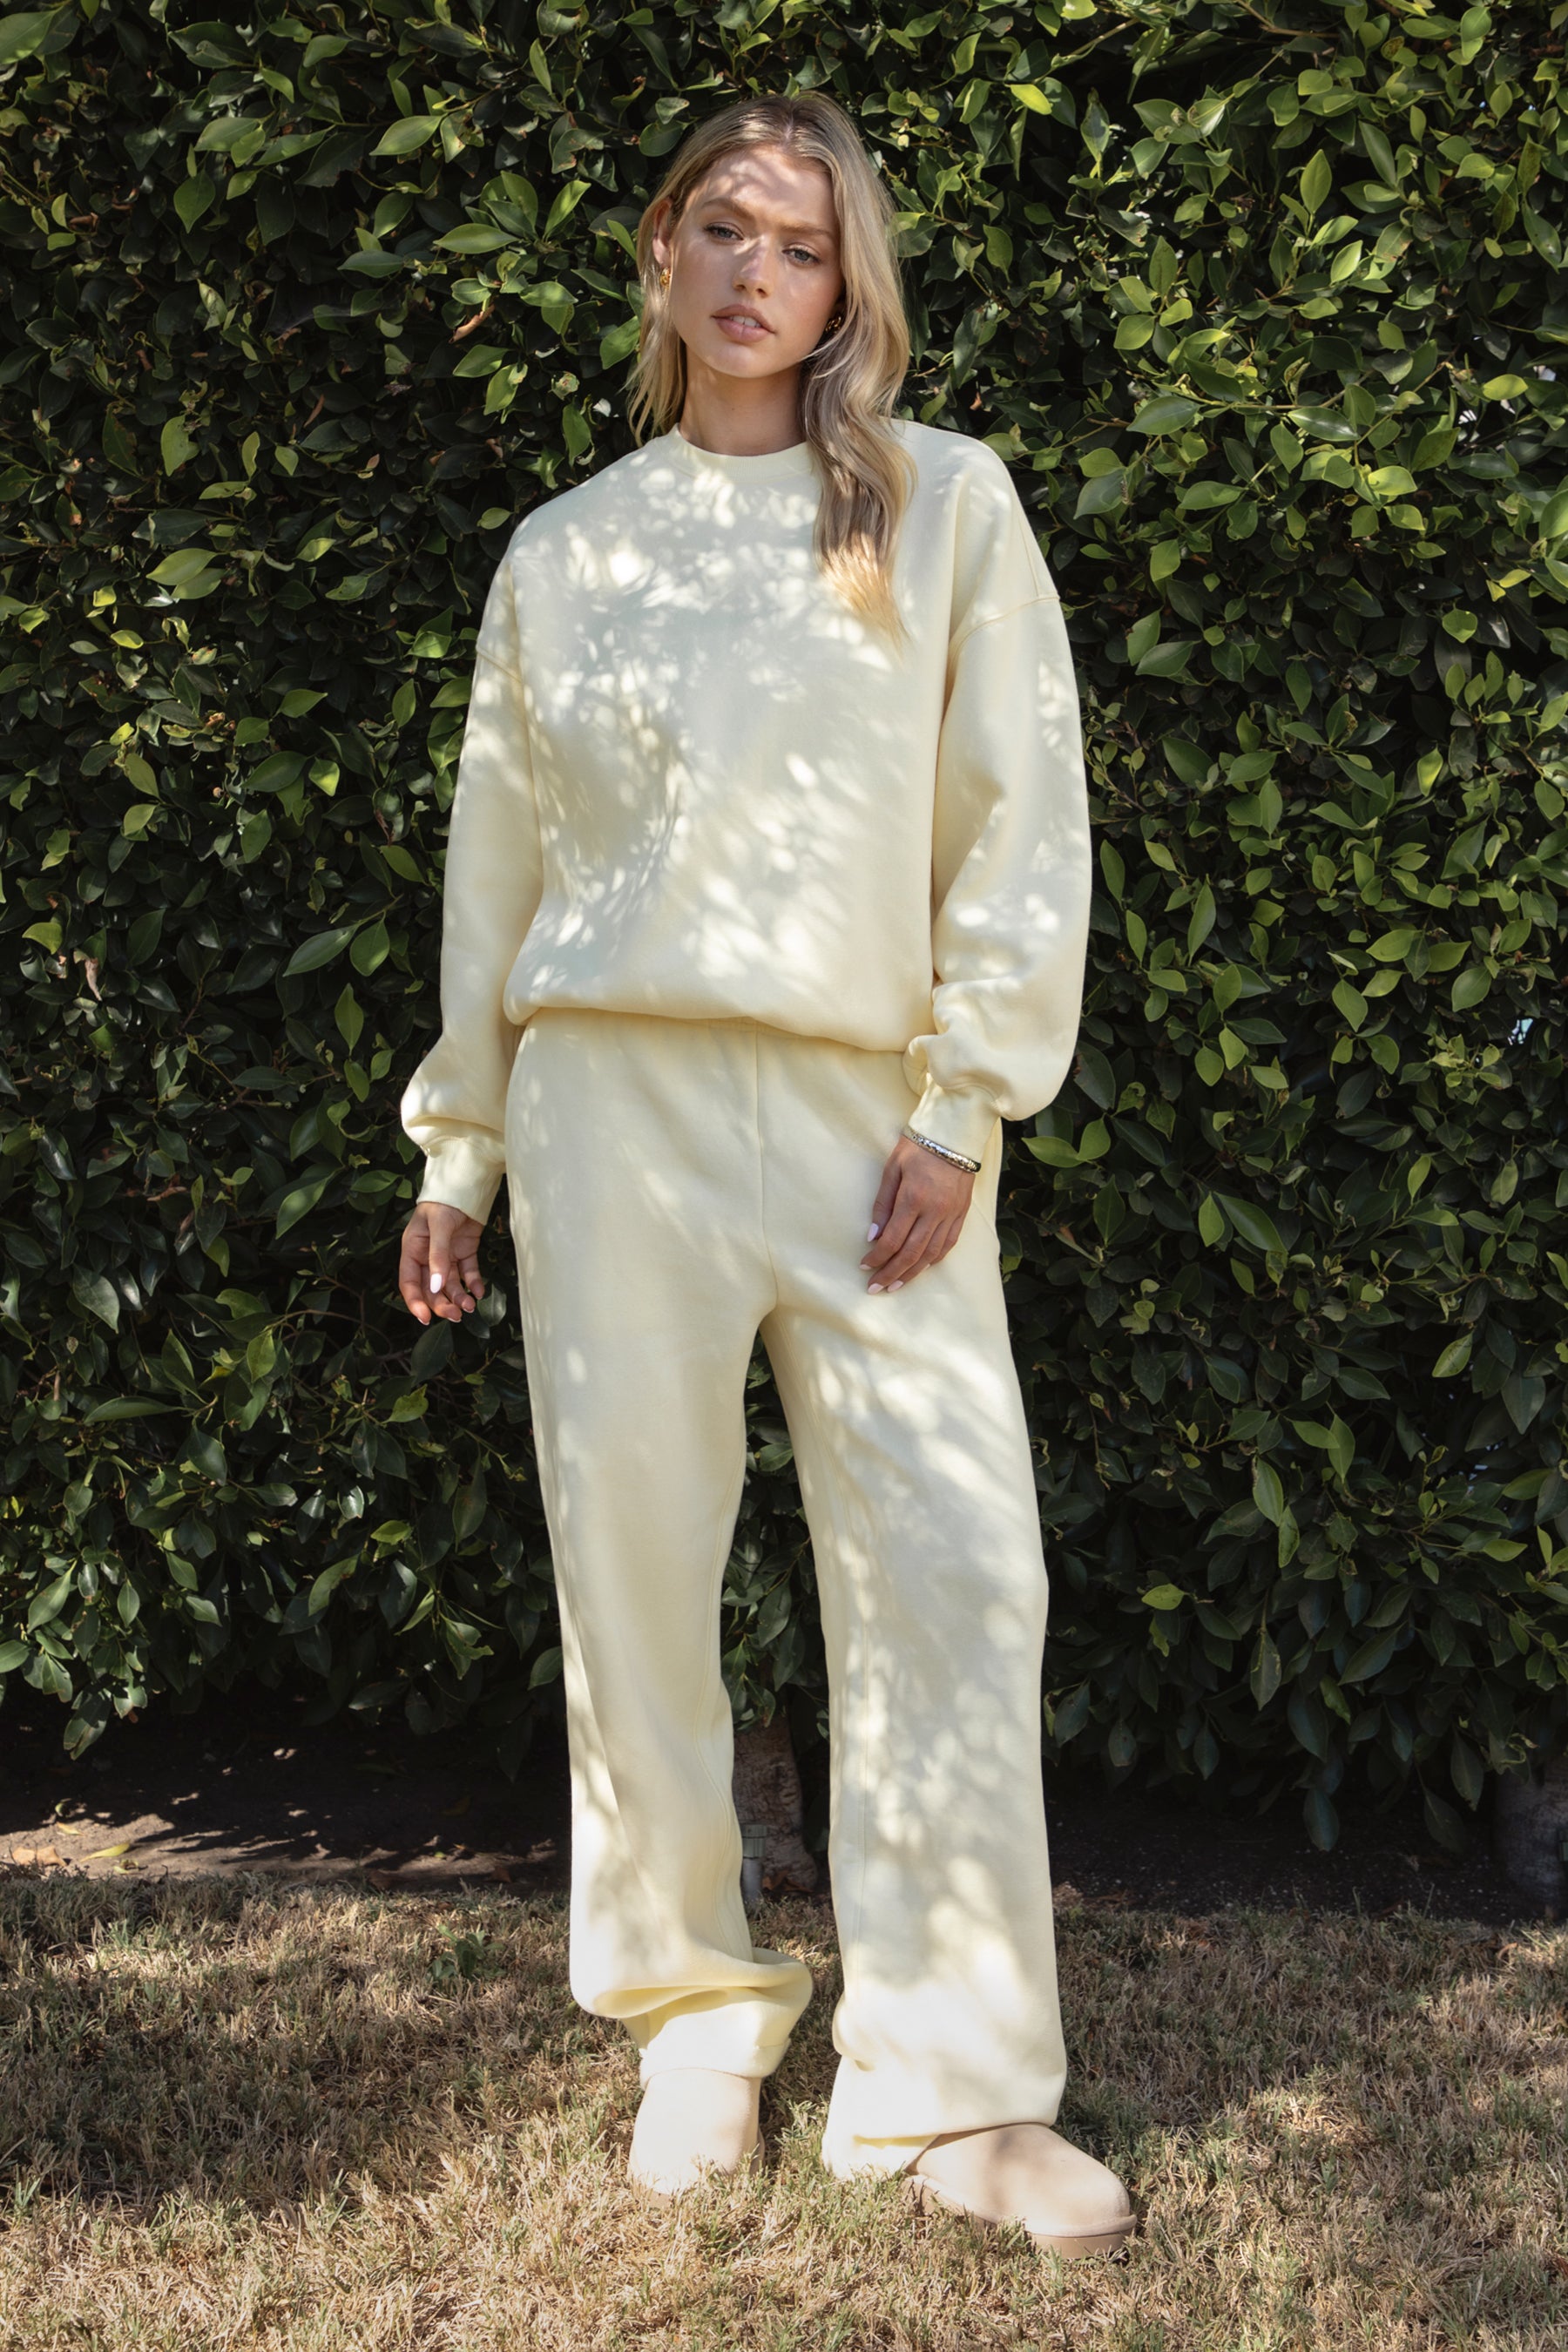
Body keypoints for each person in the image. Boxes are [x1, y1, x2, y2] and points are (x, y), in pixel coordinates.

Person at [395, 91, 1133, 2258]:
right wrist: (460, 1142)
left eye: (800, 245)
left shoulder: (943, 510)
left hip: (863, 1124)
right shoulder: (568, 548)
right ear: (659, 257)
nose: (754, 273)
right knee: (631, 1576)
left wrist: (962, 1104)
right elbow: (494, 867)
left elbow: (1019, 814)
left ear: (848, 287)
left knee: (955, 1573)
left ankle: (960, 2089)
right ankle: (698, 2011)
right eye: (719, 229)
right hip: (607, 1102)